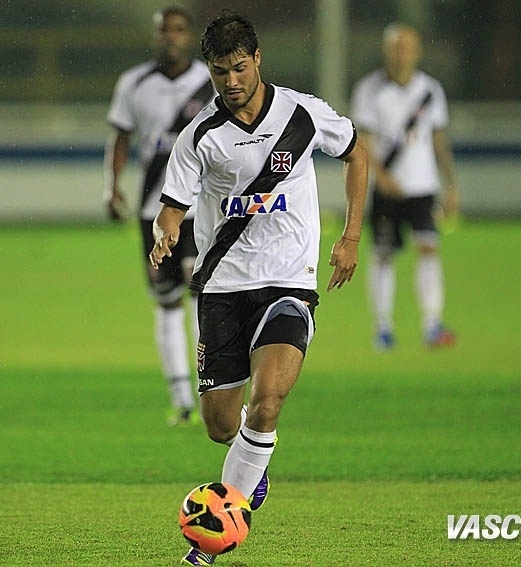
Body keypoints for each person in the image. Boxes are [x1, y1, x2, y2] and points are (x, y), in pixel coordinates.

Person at [148, 11, 368, 566]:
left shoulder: (302, 114)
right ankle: (253, 461)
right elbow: (171, 206)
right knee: (223, 425)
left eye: (240, 68)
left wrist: (351, 236)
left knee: (267, 402)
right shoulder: (199, 135)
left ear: (258, 60)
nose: (232, 81)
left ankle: (213, 540)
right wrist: (165, 233)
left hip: (289, 281)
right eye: (220, 71)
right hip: (222, 285)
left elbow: (357, 153)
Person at [105, 6, 214, 426]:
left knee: (203, 295)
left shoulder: (211, 82)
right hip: (154, 213)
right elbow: (119, 136)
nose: (171, 37)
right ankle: (182, 400)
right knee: (167, 304)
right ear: (155, 36)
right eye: (163, 30)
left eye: (178, 30)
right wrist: (111, 188)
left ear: (190, 36)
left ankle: (213, 392)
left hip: (202, 210)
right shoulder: (134, 83)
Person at [350, 23, 460, 350]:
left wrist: (451, 184)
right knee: (383, 255)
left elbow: (438, 140)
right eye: (397, 47)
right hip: (387, 190)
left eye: (408, 47)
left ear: (418, 51)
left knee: (429, 249)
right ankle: (382, 327)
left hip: (423, 186)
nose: (402, 53)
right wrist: (382, 180)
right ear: (387, 51)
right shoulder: (369, 90)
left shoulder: (430, 90)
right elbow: (363, 142)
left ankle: (432, 324)